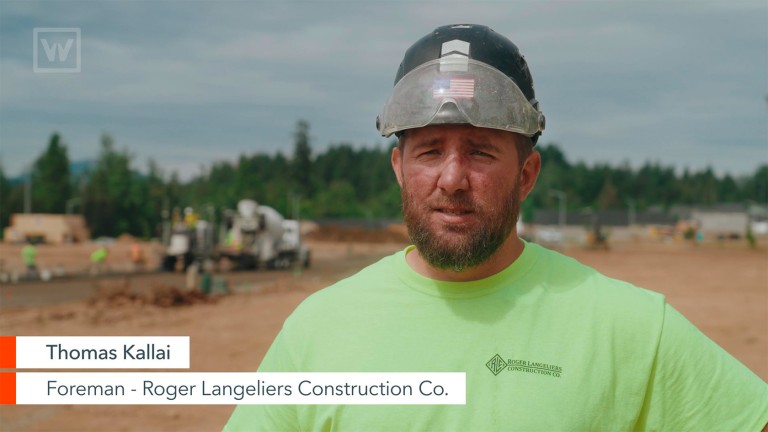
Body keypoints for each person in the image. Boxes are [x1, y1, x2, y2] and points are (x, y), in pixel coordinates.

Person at [225, 24, 768, 431]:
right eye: (429, 151)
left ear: (527, 174)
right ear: (399, 169)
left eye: (481, 151)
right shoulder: (318, 331)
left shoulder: (630, 330)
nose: (452, 178)